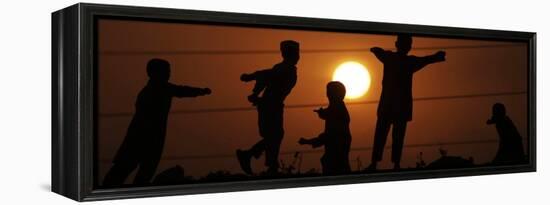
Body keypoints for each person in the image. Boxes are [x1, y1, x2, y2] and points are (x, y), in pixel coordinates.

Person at [102, 58, 211, 187]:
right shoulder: (157, 90)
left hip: (149, 138)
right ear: (155, 73)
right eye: (166, 71)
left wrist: (201, 91)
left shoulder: (156, 90)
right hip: (141, 138)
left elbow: (181, 90)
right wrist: (201, 91)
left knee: (140, 172)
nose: (169, 74)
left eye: (168, 71)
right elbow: (182, 91)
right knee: (124, 170)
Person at [367, 34, 446, 171]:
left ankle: (379, 163)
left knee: (384, 135)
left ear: (397, 45)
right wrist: (436, 57)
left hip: (391, 106)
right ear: (408, 47)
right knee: (393, 136)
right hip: (397, 107)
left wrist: (375, 50)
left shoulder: (392, 58)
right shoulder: (405, 61)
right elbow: (426, 60)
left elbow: (377, 51)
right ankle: (390, 164)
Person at [236, 40, 300, 175]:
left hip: (273, 105)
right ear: (287, 54)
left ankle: (264, 162)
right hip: (270, 106)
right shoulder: (283, 69)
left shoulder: (285, 69)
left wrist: (255, 91)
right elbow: (266, 76)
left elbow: (266, 77)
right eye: (295, 53)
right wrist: (252, 83)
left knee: (274, 136)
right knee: (274, 136)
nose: (297, 56)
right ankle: (260, 160)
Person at [299, 81, 352, 175]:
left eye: (329, 92)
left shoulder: (337, 110)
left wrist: (308, 141)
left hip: (336, 152)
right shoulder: (337, 108)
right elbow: (328, 114)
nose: (327, 95)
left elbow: (329, 136)